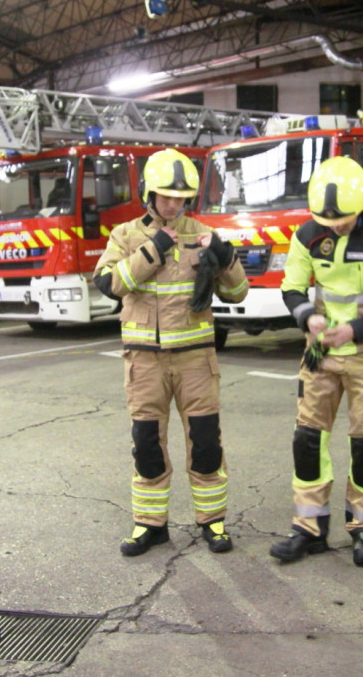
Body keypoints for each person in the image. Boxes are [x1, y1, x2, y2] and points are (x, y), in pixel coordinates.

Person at [92, 148, 248, 556]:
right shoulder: (125, 236)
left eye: (180, 198)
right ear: (149, 193)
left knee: (206, 444)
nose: (173, 204)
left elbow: (237, 292)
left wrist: (226, 256)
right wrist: (153, 249)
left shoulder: (201, 232)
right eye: (165, 197)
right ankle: (150, 525)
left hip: (196, 359)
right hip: (144, 362)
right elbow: (109, 284)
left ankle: (212, 523)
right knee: (146, 445)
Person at [271, 156, 363, 567]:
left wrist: (355, 329)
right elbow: (292, 287)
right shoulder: (307, 235)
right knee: (307, 439)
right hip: (319, 352)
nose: (334, 227)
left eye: (344, 220)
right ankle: (309, 527)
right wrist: (308, 317)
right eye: (327, 221)